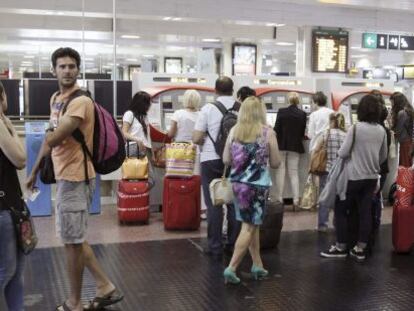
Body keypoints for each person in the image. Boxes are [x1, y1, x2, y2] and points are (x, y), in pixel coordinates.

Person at [26, 47, 123, 311]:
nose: (67, 70)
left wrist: (50, 131)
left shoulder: (81, 101)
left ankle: (75, 302)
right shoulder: (56, 98)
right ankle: (105, 286)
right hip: (64, 176)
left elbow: (55, 137)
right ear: (53, 70)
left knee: (71, 243)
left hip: (77, 178)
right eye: (62, 66)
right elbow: (51, 138)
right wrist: (34, 170)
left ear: (78, 70)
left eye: (71, 66)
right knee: (75, 238)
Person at [320, 94, 387, 262]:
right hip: (371, 178)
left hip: (353, 177)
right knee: (365, 212)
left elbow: (342, 152)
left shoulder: (356, 129)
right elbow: (383, 156)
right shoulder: (381, 131)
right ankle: (360, 248)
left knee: (341, 209)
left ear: (362, 110)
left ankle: (341, 246)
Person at [222, 96, 281, 284]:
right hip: (257, 186)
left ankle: (257, 265)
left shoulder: (234, 131)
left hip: (238, 185)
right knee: (249, 227)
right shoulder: (267, 133)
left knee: (252, 224)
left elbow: (225, 160)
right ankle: (231, 268)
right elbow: (276, 162)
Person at [192, 76, 241, 259]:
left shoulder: (208, 108)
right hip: (236, 160)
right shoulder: (241, 108)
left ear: (215, 90)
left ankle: (215, 246)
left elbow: (196, 138)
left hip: (211, 159)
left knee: (214, 203)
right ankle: (234, 244)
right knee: (233, 203)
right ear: (232, 90)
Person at [0, 81, 27, 311]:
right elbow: (20, 159)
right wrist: (9, 127)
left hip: (10, 205)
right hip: (3, 209)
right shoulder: (0, 124)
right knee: (7, 271)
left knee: (16, 272)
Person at [167, 89, 206, 219]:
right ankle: (198, 209)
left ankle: (180, 206)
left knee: (179, 179)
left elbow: (171, 134)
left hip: (180, 150)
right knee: (196, 180)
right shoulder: (202, 114)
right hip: (196, 150)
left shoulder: (178, 113)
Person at [313, 112, 347, 232]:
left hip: (327, 170)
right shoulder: (346, 135)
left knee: (324, 197)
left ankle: (322, 225)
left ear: (332, 121)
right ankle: (337, 223)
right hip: (341, 171)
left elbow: (316, 149)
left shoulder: (326, 133)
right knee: (339, 197)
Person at [273, 92, 307, 209]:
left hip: (281, 145)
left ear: (288, 100)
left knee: (280, 171)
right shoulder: (302, 114)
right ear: (298, 101)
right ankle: (296, 200)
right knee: (294, 172)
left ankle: (280, 198)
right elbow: (302, 133)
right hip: (295, 146)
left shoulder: (281, 111)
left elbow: (276, 129)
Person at [370, 91, 391, 230]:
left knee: (368, 199)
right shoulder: (386, 131)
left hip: (369, 169)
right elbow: (384, 153)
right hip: (382, 168)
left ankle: (368, 225)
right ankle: (375, 223)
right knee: (376, 197)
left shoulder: (364, 129)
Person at [122, 91, 152, 158]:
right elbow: (124, 133)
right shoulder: (129, 114)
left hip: (146, 149)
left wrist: (151, 151)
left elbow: (147, 136)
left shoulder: (144, 117)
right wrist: (137, 139)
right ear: (141, 103)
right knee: (135, 168)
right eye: (148, 103)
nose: (150, 105)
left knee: (146, 168)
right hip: (133, 148)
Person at [390, 92, 414, 167]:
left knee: (405, 166)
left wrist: (391, 125)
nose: (392, 104)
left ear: (397, 102)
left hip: (405, 143)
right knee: (408, 164)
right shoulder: (408, 110)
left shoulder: (402, 113)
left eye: (392, 102)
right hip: (409, 141)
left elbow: (398, 130)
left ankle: (406, 179)